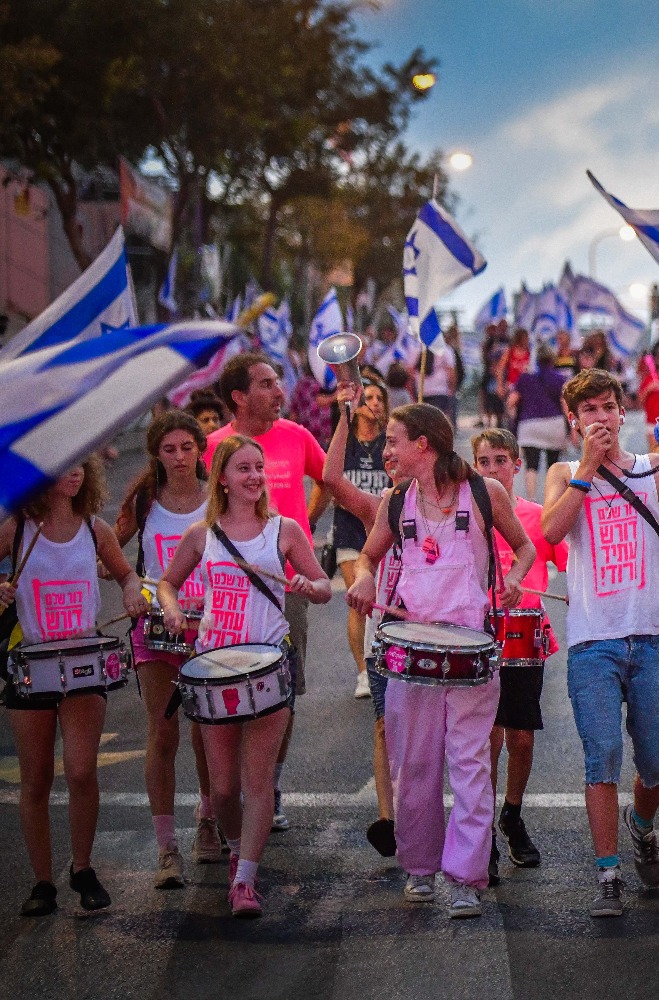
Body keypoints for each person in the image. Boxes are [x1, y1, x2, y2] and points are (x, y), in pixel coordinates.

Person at [540, 369, 659, 917]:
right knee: (602, 758)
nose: (601, 417)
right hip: (593, 642)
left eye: (609, 407)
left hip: (649, 638)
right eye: (589, 410)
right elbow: (550, 532)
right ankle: (607, 875)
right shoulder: (564, 471)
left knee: (658, 767)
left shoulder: (653, 470)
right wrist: (588, 471)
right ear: (575, 423)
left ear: (624, 414)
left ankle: (640, 825)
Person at [346, 404, 535, 920]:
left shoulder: (483, 493)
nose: (386, 451)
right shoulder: (395, 501)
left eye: (394, 440)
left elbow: (524, 550)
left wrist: (514, 578)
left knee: (471, 767)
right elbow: (367, 556)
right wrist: (363, 576)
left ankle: (467, 877)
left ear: (423, 445)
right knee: (416, 766)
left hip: (471, 652)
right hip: (412, 657)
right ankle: (420, 867)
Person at [158, 437, 332, 917]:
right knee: (221, 791)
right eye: (243, 469)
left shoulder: (285, 530)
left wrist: (308, 585)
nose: (255, 476)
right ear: (223, 478)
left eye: (259, 467)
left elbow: (323, 588)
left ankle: (245, 881)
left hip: (268, 665)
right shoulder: (203, 534)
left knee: (257, 782)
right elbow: (168, 584)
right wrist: (171, 610)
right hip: (215, 668)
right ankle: (238, 849)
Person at [0, 459, 147, 917]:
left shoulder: (94, 528)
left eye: (82, 465)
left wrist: (130, 590)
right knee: (36, 779)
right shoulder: (17, 529)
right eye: (66, 465)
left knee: (82, 771)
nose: (76, 473)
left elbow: (126, 574)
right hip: (31, 663)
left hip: (84, 665)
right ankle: (43, 882)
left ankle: (82, 869)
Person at [207, 352, 327, 833]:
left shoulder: (297, 435)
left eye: (279, 383)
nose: (280, 392)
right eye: (267, 384)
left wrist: (306, 524)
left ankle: (267, 784)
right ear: (238, 396)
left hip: (284, 583)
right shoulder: (210, 445)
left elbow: (328, 480)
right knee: (218, 688)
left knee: (282, 688)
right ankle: (221, 796)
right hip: (223, 588)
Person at [114, 412, 217, 886]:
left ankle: (208, 820)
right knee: (163, 734)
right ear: (156, 453)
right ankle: (166, 849)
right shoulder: (144, 502)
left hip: (213, 629)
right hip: (156, 630)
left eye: (187, 448)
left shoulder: (218, 497)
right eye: (169, 449)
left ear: (200, 449)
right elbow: (109, 557)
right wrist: (129, 582)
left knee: (207, 734)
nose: (179, 457)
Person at [471, 429, 569, 874]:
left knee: (522, 740)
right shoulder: (466, 516)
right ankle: (484, 830)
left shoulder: (536, 516)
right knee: (487, 741)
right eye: (483, 462)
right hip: (477, 635)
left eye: (499, 461)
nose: (492, 470)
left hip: (525, 632)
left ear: (515, 465)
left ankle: (512, 812)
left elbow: (573, 559)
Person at [319, 388, 401, 858]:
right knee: (384, 728)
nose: (389, 456)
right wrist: (344, 415)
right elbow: (331, 477)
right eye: (385, 450)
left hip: (429, 639)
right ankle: (388, 820)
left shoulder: (446, 502)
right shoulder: (378, 508)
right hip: (385, 641)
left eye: (398, 448)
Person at [333, 381, 390, 700]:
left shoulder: (388, 443)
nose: (375, 403)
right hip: (349, 530)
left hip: (382, 531)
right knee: (359, 600)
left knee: (381, 602)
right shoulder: (345, 442)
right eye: (369, 398)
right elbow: (327, 481)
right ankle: (363, 671)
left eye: (380, 398)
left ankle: (383, 659)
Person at [509, 345, 569, 501]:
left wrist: (514, 419)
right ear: (552, 360)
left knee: (531, 465)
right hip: (554, 424)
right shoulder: (560, 379)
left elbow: (511, 402)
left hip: (529, 425)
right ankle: (551, 500)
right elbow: (564, 404)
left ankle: (531, 500)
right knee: (553, 465)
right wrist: (573, 430)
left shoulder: (525, 379)